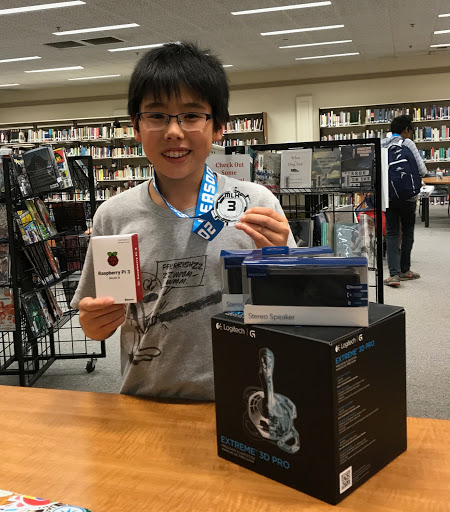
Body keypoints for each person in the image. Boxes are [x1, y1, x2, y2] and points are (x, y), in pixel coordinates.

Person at [71, 42, 296, 400]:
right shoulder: (113, 215)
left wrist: (282, 259)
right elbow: (94, 317)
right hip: (144, 397)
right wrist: (92, 323)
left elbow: (293, 307)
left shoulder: (256, 203)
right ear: (136, 127)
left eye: (191, 116)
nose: (173, 131)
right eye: (157, 116)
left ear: (218, 127)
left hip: (242, 396)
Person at [381, 114, 426, 287]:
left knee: (392, 232)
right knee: (407, 231)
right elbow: (422, 169)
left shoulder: (382, 143)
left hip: (389, 196)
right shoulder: (408, 144)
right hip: (408, 196)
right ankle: (405, 270)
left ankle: (394, 275)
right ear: (406, 130)